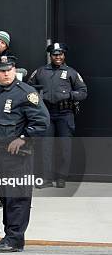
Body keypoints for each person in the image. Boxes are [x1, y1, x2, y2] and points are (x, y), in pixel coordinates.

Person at [0, 55, 49, 253]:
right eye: (2, 70)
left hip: (18, 155)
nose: (6, 74)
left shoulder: (26, 93)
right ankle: (9, 235)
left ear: (14, 70)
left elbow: (41, 122)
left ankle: (15, 239)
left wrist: (23, 137)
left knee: (18, 197)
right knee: (6, 197)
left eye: (9, 70)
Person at [28, 42, 87, 188]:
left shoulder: (72, 73)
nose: (58, 57)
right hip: (46, 113)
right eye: (55, 54)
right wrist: (37, 97)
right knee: (46, 146)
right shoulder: (40, 71)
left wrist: (68, 95)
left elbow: (83, 92)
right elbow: (28, 88)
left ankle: (61, 177)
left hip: (65, 114)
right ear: (50, 56)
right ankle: (46, 178)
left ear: (64, 55)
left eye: (60, 54)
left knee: (64, 146)